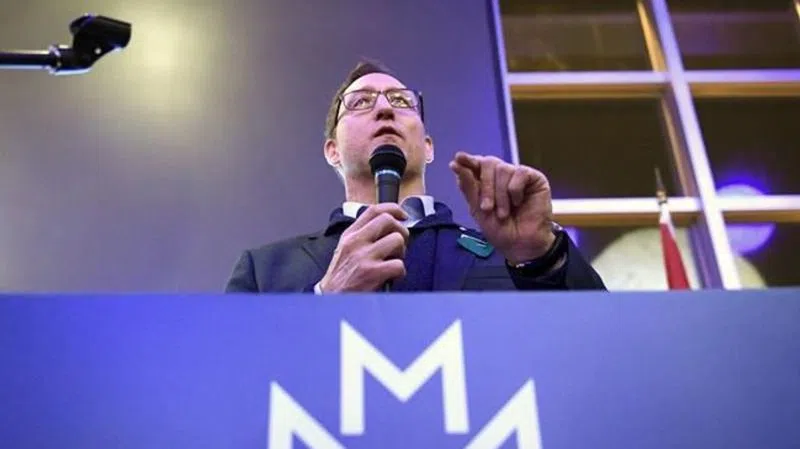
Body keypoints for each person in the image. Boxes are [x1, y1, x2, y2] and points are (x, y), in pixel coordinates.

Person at [225, 59, 606, 293]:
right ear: (332, 151)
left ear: (427, 147)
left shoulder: (509, 256)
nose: (385, 110)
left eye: (402, 101)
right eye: (360, 103)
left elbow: (595, 349)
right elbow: (229, 377)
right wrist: (325, 300)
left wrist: (541, 257)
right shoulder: (265, 270)